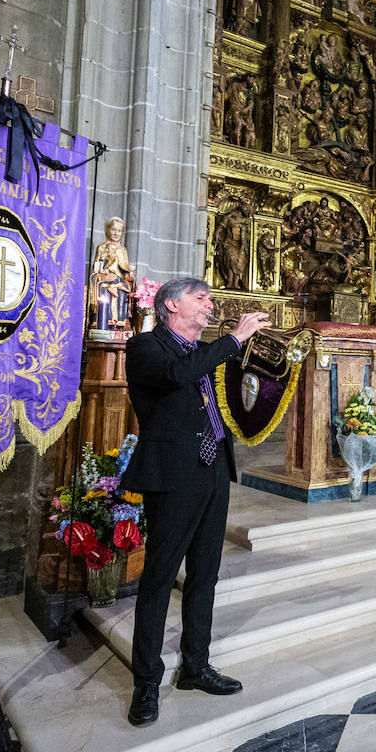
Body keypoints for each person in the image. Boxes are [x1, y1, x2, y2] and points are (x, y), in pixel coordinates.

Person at [120, 277, 270, 726]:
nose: (209, 305)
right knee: (160, 579)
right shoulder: (146, 347)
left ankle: (195, 665)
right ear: (170, 304)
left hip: (213, 471)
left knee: (206, 574)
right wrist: (232, 338)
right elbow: (175, 377)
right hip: (173, 475)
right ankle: (146, 683)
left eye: (209, 299)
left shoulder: (203, 354)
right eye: (200, 298)